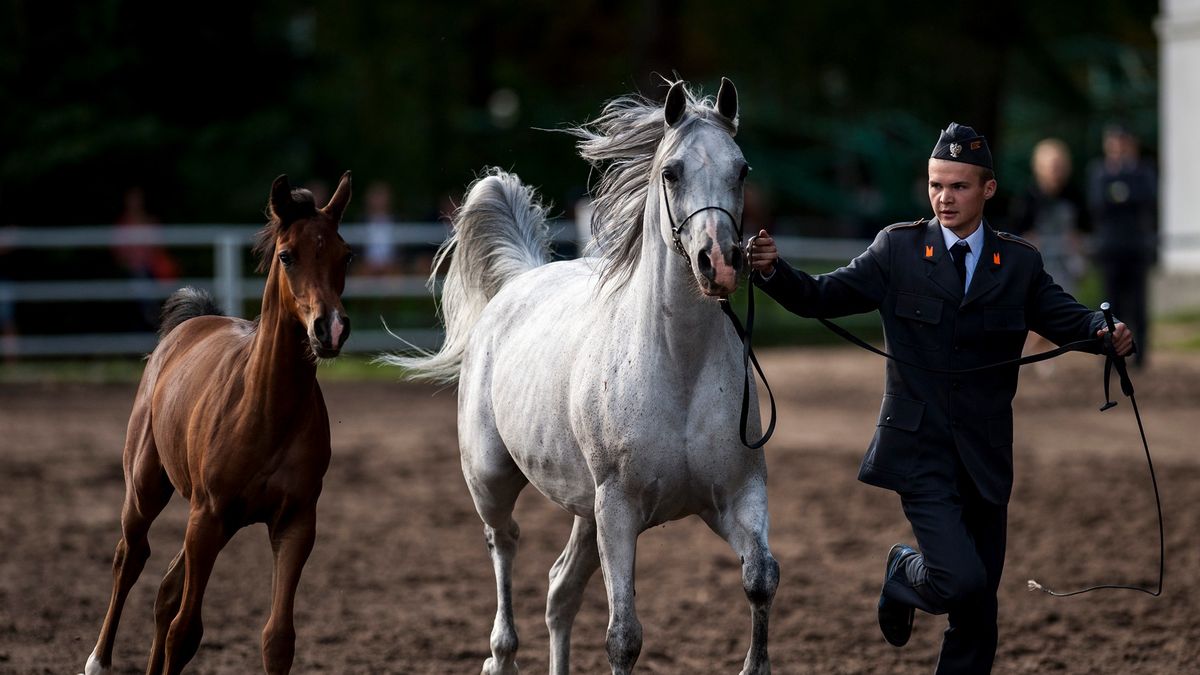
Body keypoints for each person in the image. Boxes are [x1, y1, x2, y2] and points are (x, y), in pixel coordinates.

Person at [748, 123, 1134, 674]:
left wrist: (1109, 332)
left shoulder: (1018, 263)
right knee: (961, 580)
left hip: (986, 457)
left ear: (988, 190)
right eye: (935, 186)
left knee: (979, 615)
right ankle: (905, 570)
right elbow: (821, 296)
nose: (944, 198)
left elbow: (1068, 317)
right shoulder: (898, 248)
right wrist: (772, 272)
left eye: (958, 186)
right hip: (920, 450)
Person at [1087, 124, 1157, 368]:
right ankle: (1110, 351)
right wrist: (1124, 195)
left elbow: (1145, 199)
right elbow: (1098, 203)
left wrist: (1119, 194)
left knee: (1138, 303)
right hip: (1110, 249)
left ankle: (1141, 354)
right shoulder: (1098, 172)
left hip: (1135, 248)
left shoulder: (1143, 171)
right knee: (1109, 303)